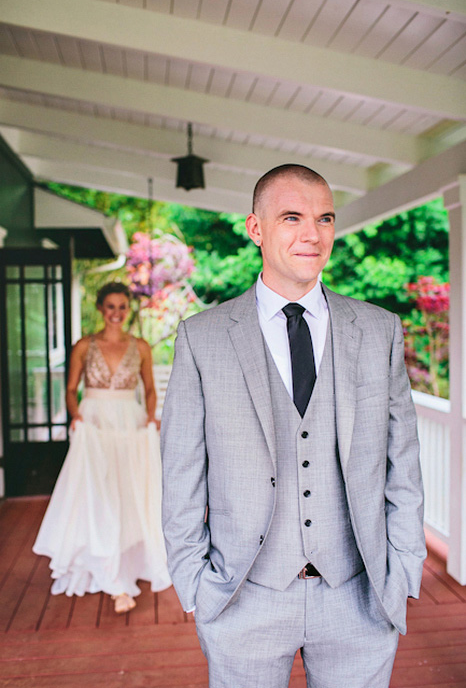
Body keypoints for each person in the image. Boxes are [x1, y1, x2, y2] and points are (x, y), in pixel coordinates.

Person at [161, 164, 426, 687]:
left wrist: (404, 569)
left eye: (324, 218)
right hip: (244, 597)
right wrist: (194, 583)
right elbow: (181, 472)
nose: (313, 233)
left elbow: (405, 463)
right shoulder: (202, 338)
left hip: (359, 597)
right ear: (256, 228)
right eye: (291, 217)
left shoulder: (378, 330)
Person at [34, 282, 171, 614]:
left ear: (128, 310)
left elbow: (150, 389)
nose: (117, 313)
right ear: (100, 308)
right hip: (94, 425)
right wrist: (77, 416)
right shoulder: (84, 345)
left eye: (122, 306)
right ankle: (108, 575)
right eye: (110, 306)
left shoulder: (140, 346)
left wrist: (150, 419)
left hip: (129, 425)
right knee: (98, 495)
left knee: (129, 493)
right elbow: (70, 390)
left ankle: (126, 568)